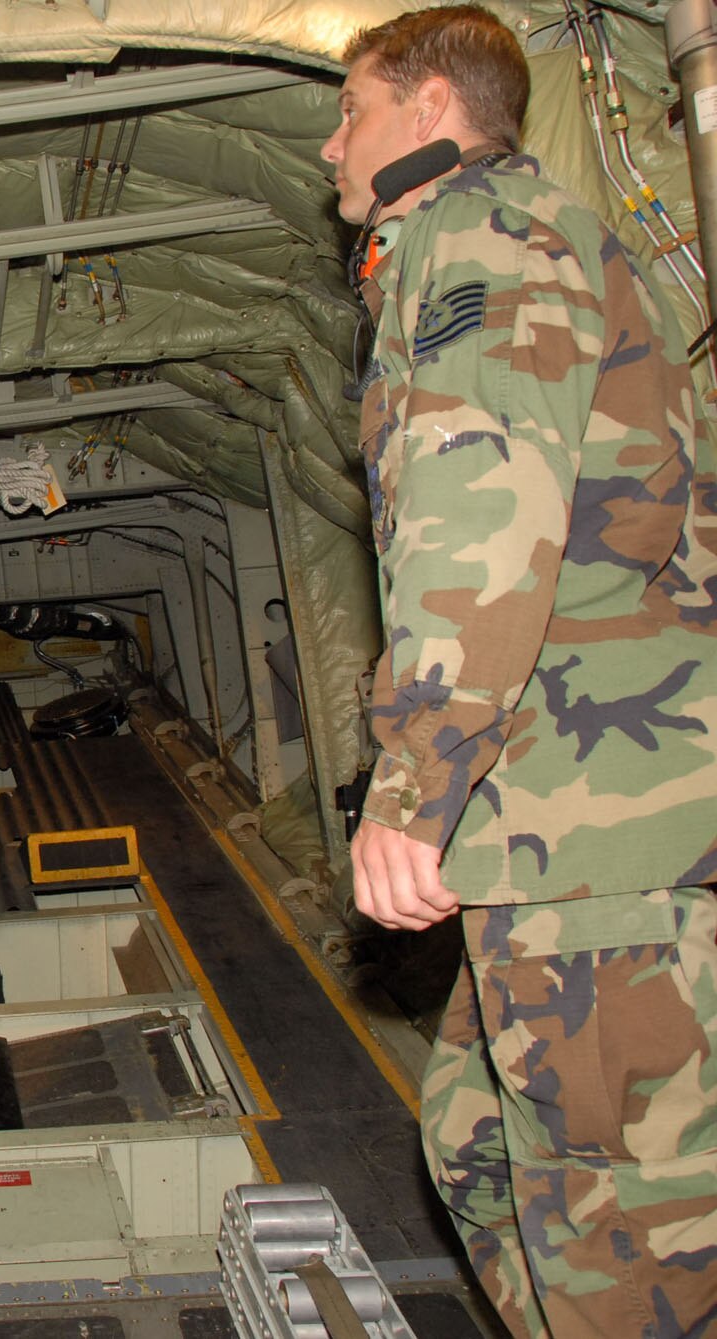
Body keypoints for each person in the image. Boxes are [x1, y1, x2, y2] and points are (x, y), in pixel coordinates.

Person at [325, 8, 717, 1335]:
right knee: (476, 1137)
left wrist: (414, 779)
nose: (332, 143)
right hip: (565, 824)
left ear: (430, 105)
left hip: (590, 836)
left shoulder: (478, 234)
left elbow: (480, 508)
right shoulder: (505, 235)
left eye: (350, 110)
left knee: (622, 1241)